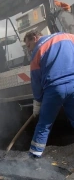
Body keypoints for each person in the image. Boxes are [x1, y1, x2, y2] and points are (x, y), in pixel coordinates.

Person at [24, 30, 74, 160]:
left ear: (35, 38)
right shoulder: (67, 36)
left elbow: (36, 81)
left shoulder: (37, 51)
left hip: (54, 89)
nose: (29, 49)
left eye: (28, 45)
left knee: (44, 124)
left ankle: (34, 156)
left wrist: (37, 102)